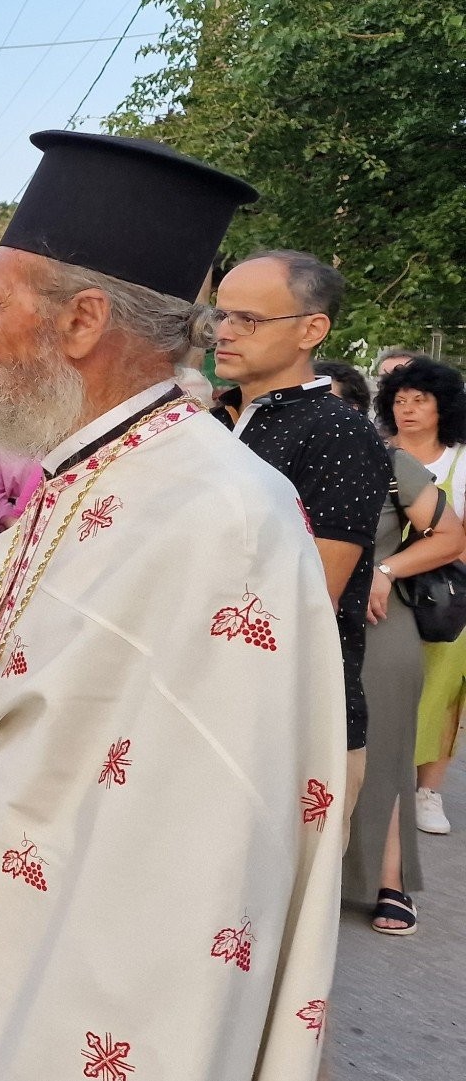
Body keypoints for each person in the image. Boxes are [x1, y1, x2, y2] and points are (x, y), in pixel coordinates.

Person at [0, 130, 342, 1080]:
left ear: (81, 322)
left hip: (92, 998)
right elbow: (52, 690)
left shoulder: (225, 515)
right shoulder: (86, 473)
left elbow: (217, 836)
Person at [212, 249, 391, 814]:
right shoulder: (212, 424)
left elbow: (312, 595)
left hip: (287, 718)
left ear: (312, 330)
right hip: (199, 703)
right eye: (220, 315)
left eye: (250, 320)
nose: (225, 332)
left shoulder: (337, 431)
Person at [338, 393, 463, 934]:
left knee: (383, 746)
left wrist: (384, 571)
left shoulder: (389, 462)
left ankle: (391, 882)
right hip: (299, 616)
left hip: (378, 623)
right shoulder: (272, 454)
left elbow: (450, 535)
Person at [375, 357, 466, 835]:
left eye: (420, 400)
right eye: (400, 400)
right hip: (379, 594)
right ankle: (383, 784)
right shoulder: (376, 450)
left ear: (443, 406)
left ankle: (428, 791)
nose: (408, 409)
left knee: (441, 694)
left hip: (442, 598)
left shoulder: (460, 461)